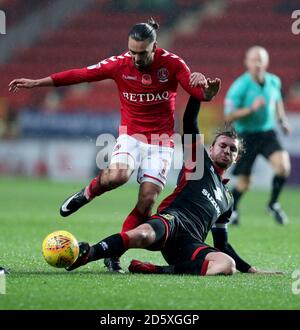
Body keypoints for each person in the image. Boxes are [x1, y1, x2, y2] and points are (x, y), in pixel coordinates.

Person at [9, 18, 219, 272]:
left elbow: (196, 92)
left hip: (161, 142)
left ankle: (114, 254)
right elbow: (81, 74)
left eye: (142, 53)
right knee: (118, 175)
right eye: (132, 51)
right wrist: (37, 82)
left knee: (147, 200)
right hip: (131, 136)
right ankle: (86, 193)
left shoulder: (173, 64)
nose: (136, 58)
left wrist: (207, 92)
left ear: (154, 47)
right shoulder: (120, 64)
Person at [65, 93, 281, 276]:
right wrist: (198, 95)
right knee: (141, 235)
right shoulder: (199, 163)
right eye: (223, 146)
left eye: (232, 150)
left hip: (190, 244)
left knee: (226, 265)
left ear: (236, 158)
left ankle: (155, 270)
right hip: (172, 221)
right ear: (211, 148)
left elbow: (222, 244)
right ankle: (88, 254)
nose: (227, 151)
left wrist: (250, 269)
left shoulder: (228, 198)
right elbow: (189, 123)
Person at [224, 46, 291, 226]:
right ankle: (232, 208)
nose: (258, 64)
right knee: (245, 183)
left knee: (283, 167)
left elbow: (277, 101)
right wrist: (251, 109)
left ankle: (273, 203)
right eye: (254, 60)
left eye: (261, 60)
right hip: (245, 135)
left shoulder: (274, 81)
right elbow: (228, 115)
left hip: (267, 132)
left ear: (266, 62)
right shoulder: (240, 86)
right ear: (247, 62)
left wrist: (282, 120)